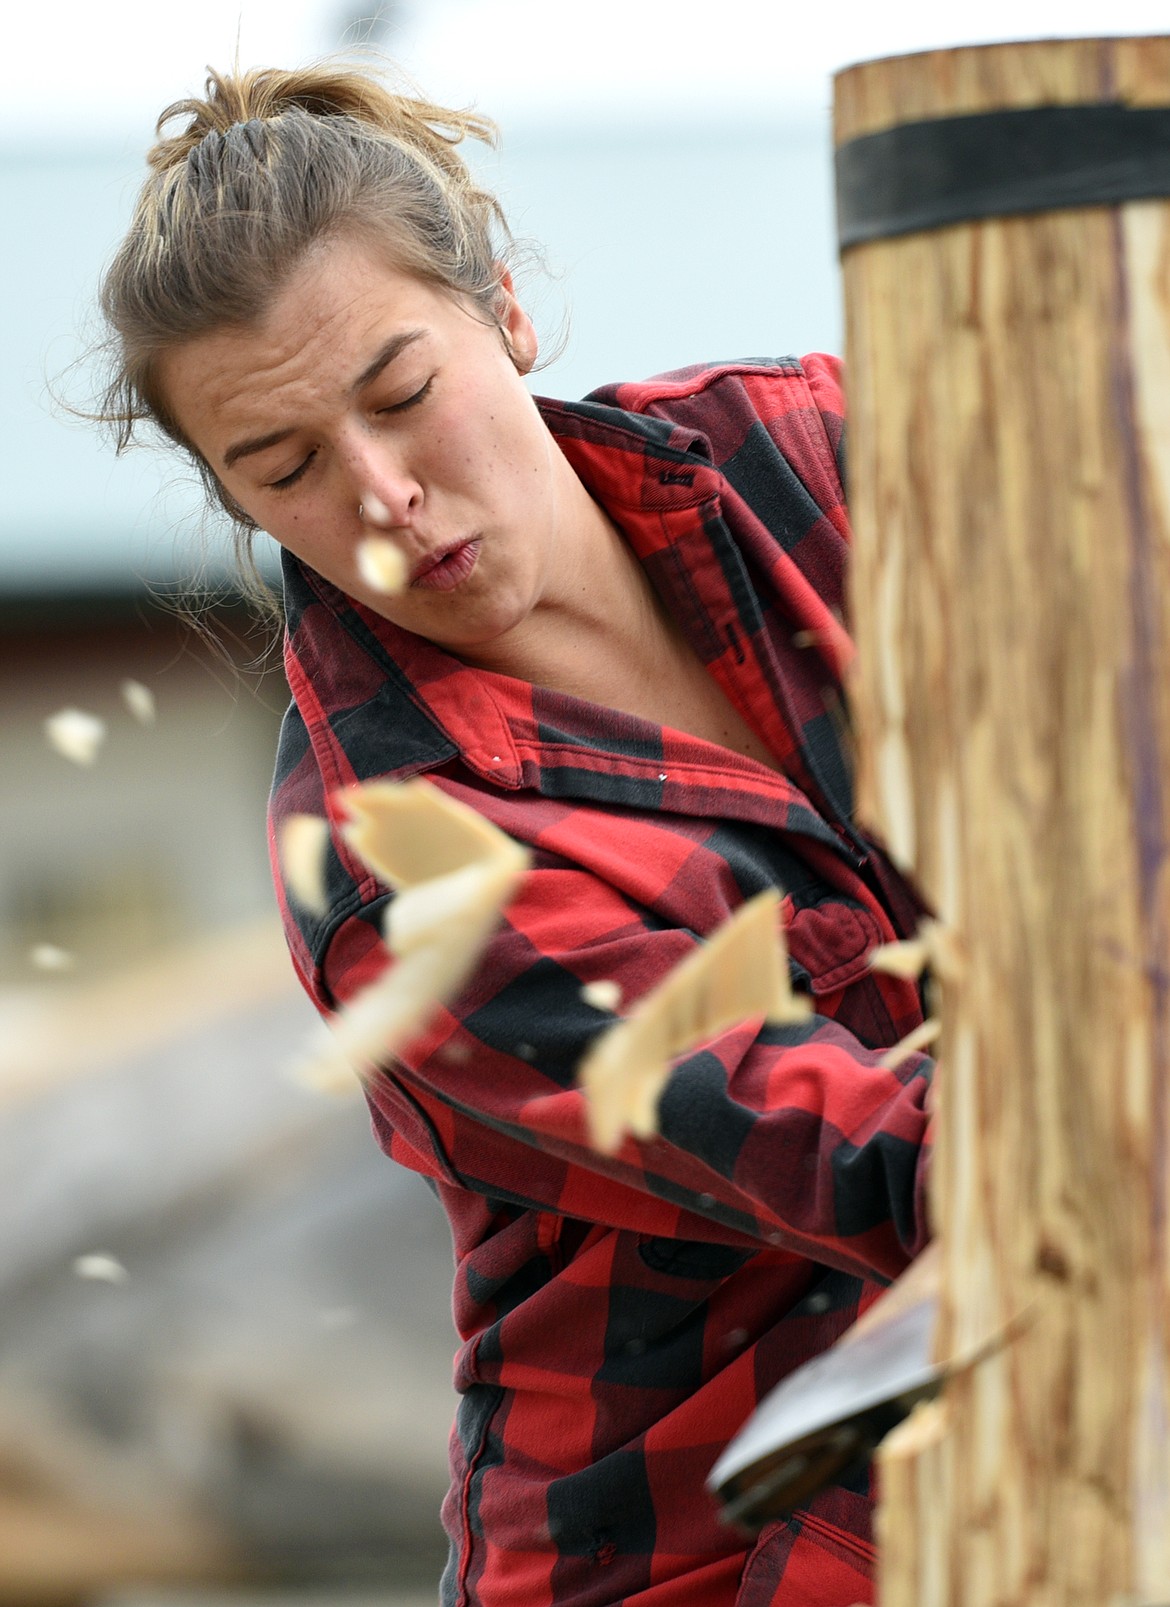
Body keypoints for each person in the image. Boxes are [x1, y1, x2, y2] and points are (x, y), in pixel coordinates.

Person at [97, 61, 935, 1607]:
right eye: (285, 472)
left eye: (402, 394)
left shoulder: (817, 459)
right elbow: (885, 1164)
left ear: (505, 309)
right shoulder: (394, 870)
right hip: (709, 1556)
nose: (386, 498)